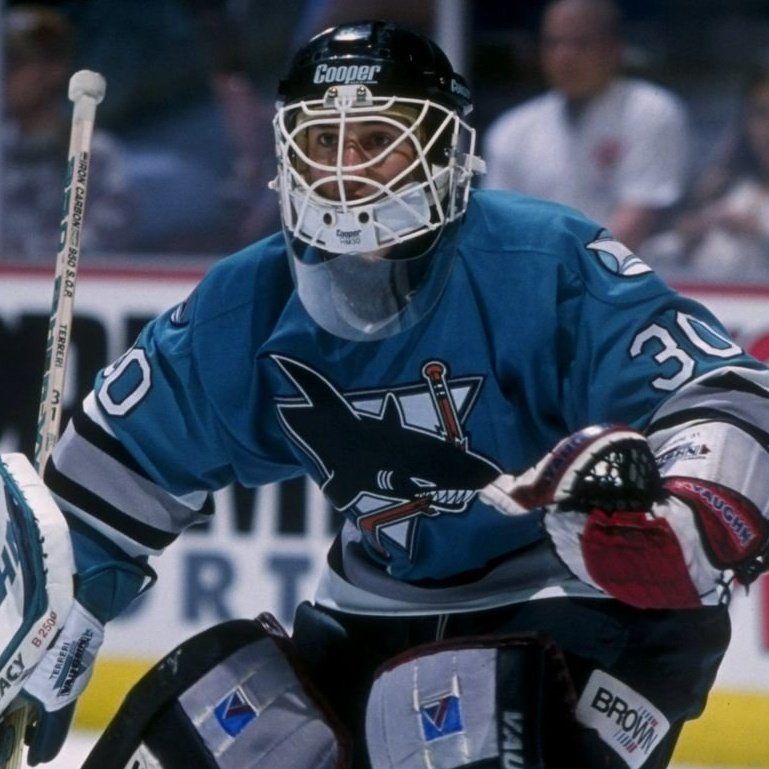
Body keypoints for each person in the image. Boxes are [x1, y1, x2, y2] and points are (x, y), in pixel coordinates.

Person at [7, 18, 769, 769]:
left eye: (376, 140)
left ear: (443, 149)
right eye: (321, 142)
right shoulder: (244, 303)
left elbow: (725, 391)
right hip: (376, 604)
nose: (346, 170)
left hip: (576, 599)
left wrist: (690, 513)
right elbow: (105, 489)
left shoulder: (541, 258)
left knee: (468, 733)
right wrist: (43, 621)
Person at [482, 0, 690, 252]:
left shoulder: (652, 111)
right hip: (539, 278)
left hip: (634, 279)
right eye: (554, 43)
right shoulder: (511, 130)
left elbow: (639, 217)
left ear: (614, 49)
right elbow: (499, 224)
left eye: (580, 43)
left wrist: (566, 271)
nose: (564, 56)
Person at [2, 4, 135, 261]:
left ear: (54, 70)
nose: (4, 77)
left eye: (16, 65)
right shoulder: (3, 148)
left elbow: (106, 241)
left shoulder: (95, 152)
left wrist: (20, 256)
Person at [640, 65, 769, 279]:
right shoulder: (723, 191)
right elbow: (654, 255)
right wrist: (685, 240)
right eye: (762, 114)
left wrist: (760, 234)